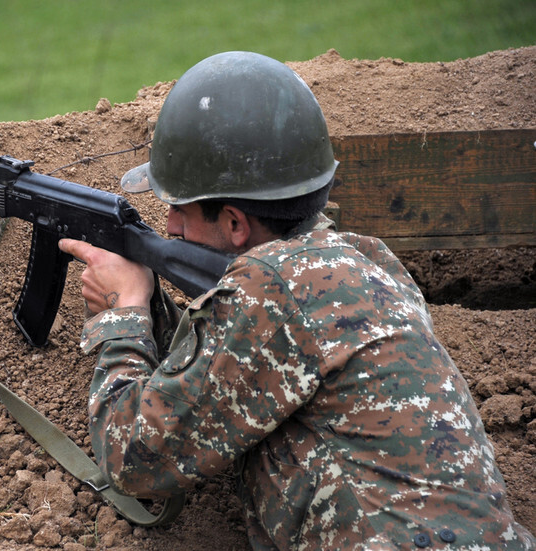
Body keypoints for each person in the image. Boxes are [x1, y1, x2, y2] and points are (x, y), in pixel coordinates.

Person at [58, 51, 535, 550]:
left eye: (180, 209)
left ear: (236, 224)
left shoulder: (268, 289)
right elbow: (232, 371)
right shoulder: (370, 261)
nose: (171, 226)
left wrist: (125, 312)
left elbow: (134, 458)